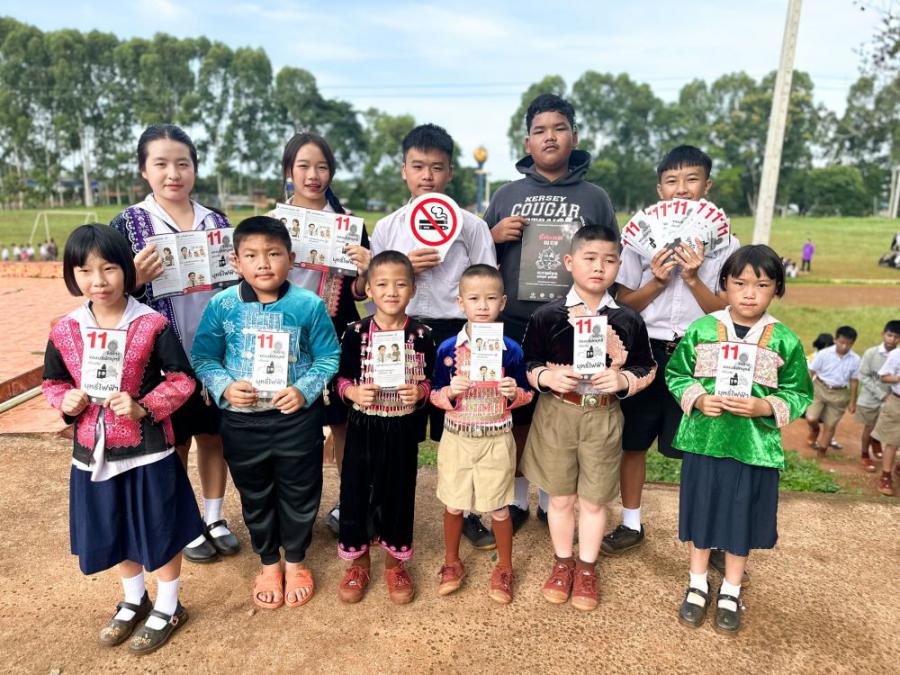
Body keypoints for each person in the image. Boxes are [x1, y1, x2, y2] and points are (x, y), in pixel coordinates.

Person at [42, 225, 201, 654]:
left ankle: (168, 605)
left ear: (127, 271)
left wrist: (144, 406)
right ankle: (134, 600)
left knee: (161, 525)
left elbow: (182, 379)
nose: (99, 281)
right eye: (85, 270)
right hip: (92, 451)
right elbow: (53, 382)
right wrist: (66, 401)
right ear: (72, 275)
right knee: (113, 525)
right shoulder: (65, 329)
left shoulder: (151, 324)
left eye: (110, 268)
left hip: (148, 449)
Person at [603, 145, 741, 588]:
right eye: (672, 181)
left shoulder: (726, 243)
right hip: (646, 349)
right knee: (633, 443)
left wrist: (694, 278)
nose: (682, 189)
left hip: (699, 354)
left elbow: (727, 310)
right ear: (660, 189)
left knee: (704, 449)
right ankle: (631, 522)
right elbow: (625, 302)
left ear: (707, 186)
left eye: (692, 179)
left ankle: (709, 536)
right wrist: (659, 280)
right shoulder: (638, 238)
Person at [485, 93, 619, 541]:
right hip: (515, 320)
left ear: (573, 137)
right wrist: (493, 234)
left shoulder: (594, 197)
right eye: (539, 130)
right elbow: (479, 260)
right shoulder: (507, 195)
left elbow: (609, 256)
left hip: (574, 323)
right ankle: (519, 495)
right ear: (527, 141)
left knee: (562, 409)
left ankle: (552, 497)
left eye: (559, 128)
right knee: (518, 410)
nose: (549, 137)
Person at [192, 216, 340, 609]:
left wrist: (303, 390)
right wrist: (225, 386)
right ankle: (269, 561)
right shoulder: (221, 306)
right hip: (242, 422)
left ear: (290, 258)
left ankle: (296, 560)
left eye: (273, 254)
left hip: (296, 420)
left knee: (300, 489)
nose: (263, 263)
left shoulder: (309, 305)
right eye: (252, 255)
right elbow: (204, 357)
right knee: (255, 492)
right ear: (236, 261)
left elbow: (328, 356)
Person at [666, 244, 813, 634]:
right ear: (725, 285)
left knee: (741, 516)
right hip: (704, 441)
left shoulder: (784, 340)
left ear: (777, 288)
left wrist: (765, 407)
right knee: (701, 511)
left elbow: (799, 392)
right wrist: (699, 398)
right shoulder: (702, 329)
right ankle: (697, 583)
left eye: (762, 285)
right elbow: (676, 373)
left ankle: (731, 589)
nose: (750, 294)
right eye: (740, 283)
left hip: (753, 447)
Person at [111, 124, 240, 564]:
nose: (173, 173)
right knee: (174, 442)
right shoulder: (129, 224)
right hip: (163, 356)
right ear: (144, 170)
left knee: (214, 436)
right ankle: (183, 523)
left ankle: (214, 517)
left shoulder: (216, 221)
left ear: (194, 169)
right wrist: (134, 279)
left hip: (216, 352)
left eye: (182, 163)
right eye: (161, 164)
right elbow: (107, 291)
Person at [521, 225, 656, 612]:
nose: (599, 267)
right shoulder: (547, 316)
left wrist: (624, 380)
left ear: (619, 266)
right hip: (557, 414)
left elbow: (647, 366)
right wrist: (545, 377)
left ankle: (586, 567)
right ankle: (563, 562)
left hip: (603, 415)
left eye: (609, 260)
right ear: (569, 262)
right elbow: (528, 361)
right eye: (590, 258)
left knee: (594, 501)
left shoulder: (628, 319)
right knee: (561, 497)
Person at [271, 132, 372, 537]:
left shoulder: (348, 223)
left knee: (344, 420)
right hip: (282, 334)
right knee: (292, 422)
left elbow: (361, 293)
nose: (313, 175)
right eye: (304, 166)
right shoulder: (273, 225)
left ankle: (349, 503)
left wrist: (365, 269)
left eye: (322, 167)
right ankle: (294, 510)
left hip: (337, 331)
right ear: (288, 171)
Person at [333, 251, 435, 605]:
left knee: (399, 492)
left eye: (401, 284)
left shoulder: (422, 334)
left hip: (402, 428)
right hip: (363, 425)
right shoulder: (355, 332)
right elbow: (340, 378)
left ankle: (395, 563)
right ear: (369, 290)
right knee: (355, 492)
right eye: (382, 284)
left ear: (413, 289)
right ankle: (358, 563)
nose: (392, 291)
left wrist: (420, 392)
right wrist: (352, 392)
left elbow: (432, 381)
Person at [430, 264, 533, 604]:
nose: (483, 306)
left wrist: (513, 393)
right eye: (474, 299)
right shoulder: (448, 349)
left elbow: (527, 394)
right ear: (461, 302)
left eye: (491, 298)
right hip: (457, 436)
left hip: (496, 437)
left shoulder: (511, 349)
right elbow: (433, 392)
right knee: (453, 503)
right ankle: (451, 562)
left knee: (499, 506)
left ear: (502, 302)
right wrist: (450, 392)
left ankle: (504, 567)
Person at [806, 325, 860, 457]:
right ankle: (815, 430)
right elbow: (812, 371)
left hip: (840, 393)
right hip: (819, 388)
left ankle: (822, 450)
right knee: (811, 418)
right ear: (835, 340)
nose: (844, 346)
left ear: (853, 343)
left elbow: (854, 381)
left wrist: (853, 402)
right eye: (841, 342)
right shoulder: (823, 354)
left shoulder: (856, 359)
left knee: (830, 425)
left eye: (848, 344)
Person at [853, 321, 900, 472]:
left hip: (891, 398)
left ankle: (876, 442)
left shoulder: (897, 355)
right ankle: (864, 455)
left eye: (896, 337)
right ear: (883, 334)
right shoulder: (871, 353)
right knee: (869, 427)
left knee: (887, 427)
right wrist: (881, 394)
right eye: (889, 335)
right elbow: (863, 376)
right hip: (870, 398)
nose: (892, 339)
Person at [872, 347, 900, 496]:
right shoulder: (897, 354)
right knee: (892, 441)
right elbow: (883, 377)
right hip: (897, 403)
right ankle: (886, 476)